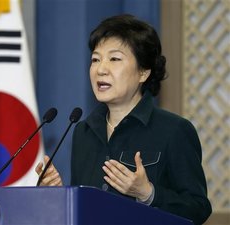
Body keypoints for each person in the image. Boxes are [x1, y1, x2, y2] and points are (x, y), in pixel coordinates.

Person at [35, 14, 212, 225]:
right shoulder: (83, 131)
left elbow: (198, 208)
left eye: (114, 59)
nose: (101, 69)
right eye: (95, 59)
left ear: (143, 72)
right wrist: (61, 195)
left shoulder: (174, 130)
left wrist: (148, 193)